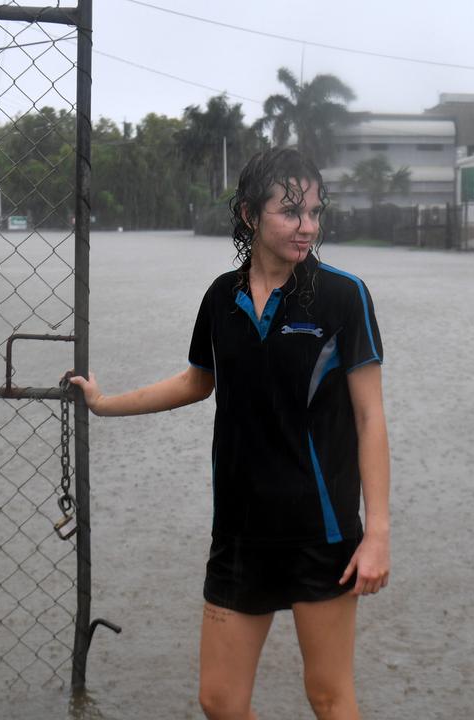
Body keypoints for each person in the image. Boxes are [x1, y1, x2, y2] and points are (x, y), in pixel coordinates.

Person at [69, 147, 390, 719]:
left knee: (328, 694)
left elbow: (371, 419)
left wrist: (379, 535)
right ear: (249, 215)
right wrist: (104, 404)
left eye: (315, 212)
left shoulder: (344, 297)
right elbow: (197, 381)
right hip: (239, 530)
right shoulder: (222, 296)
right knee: (219, 700)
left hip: (321, 532)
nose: (307, 226)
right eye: (291, 212)